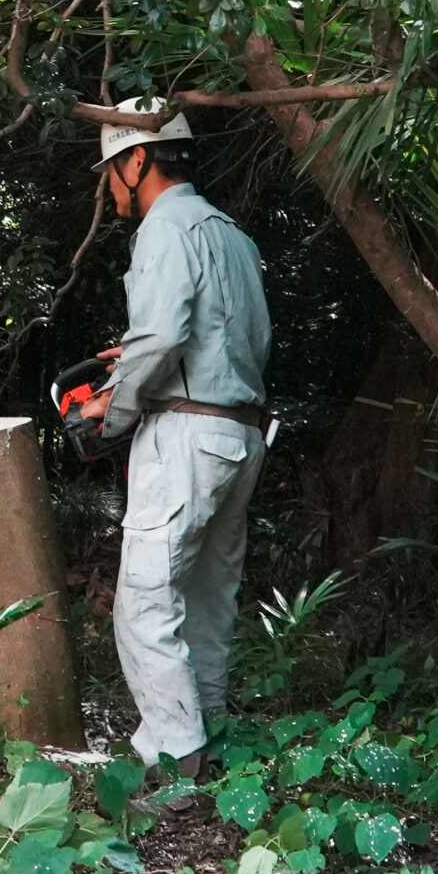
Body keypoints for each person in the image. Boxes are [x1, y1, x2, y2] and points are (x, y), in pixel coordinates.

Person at [68, 99, 271, 780]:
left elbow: (160, 337)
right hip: (240, 433)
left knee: (146, 600)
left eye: (111, 170)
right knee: (211, 595)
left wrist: (112, 407)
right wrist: (131, 360)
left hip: (185, 435)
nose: (109, 187)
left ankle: (177, 754)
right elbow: (225, 337)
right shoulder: (231, 233)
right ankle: (208, 731)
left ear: (137, 159)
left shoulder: (163, 227)